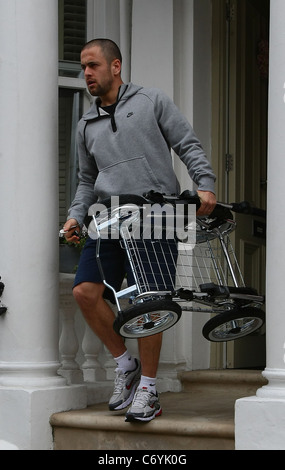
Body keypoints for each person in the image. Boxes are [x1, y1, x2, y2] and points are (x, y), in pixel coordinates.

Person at [63, 38, 216, 422]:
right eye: (83, 67)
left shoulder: (151, 101)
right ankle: (125, 365)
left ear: (116, 66)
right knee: (84, 291)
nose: (86, 74)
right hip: (107, 216)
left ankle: (149, 388)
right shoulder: (86, 124)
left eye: (93, 65)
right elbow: (86, 179)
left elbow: (187, 143)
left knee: (150, 303)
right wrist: (75, 216)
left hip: (155, 213)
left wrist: (205, 183)